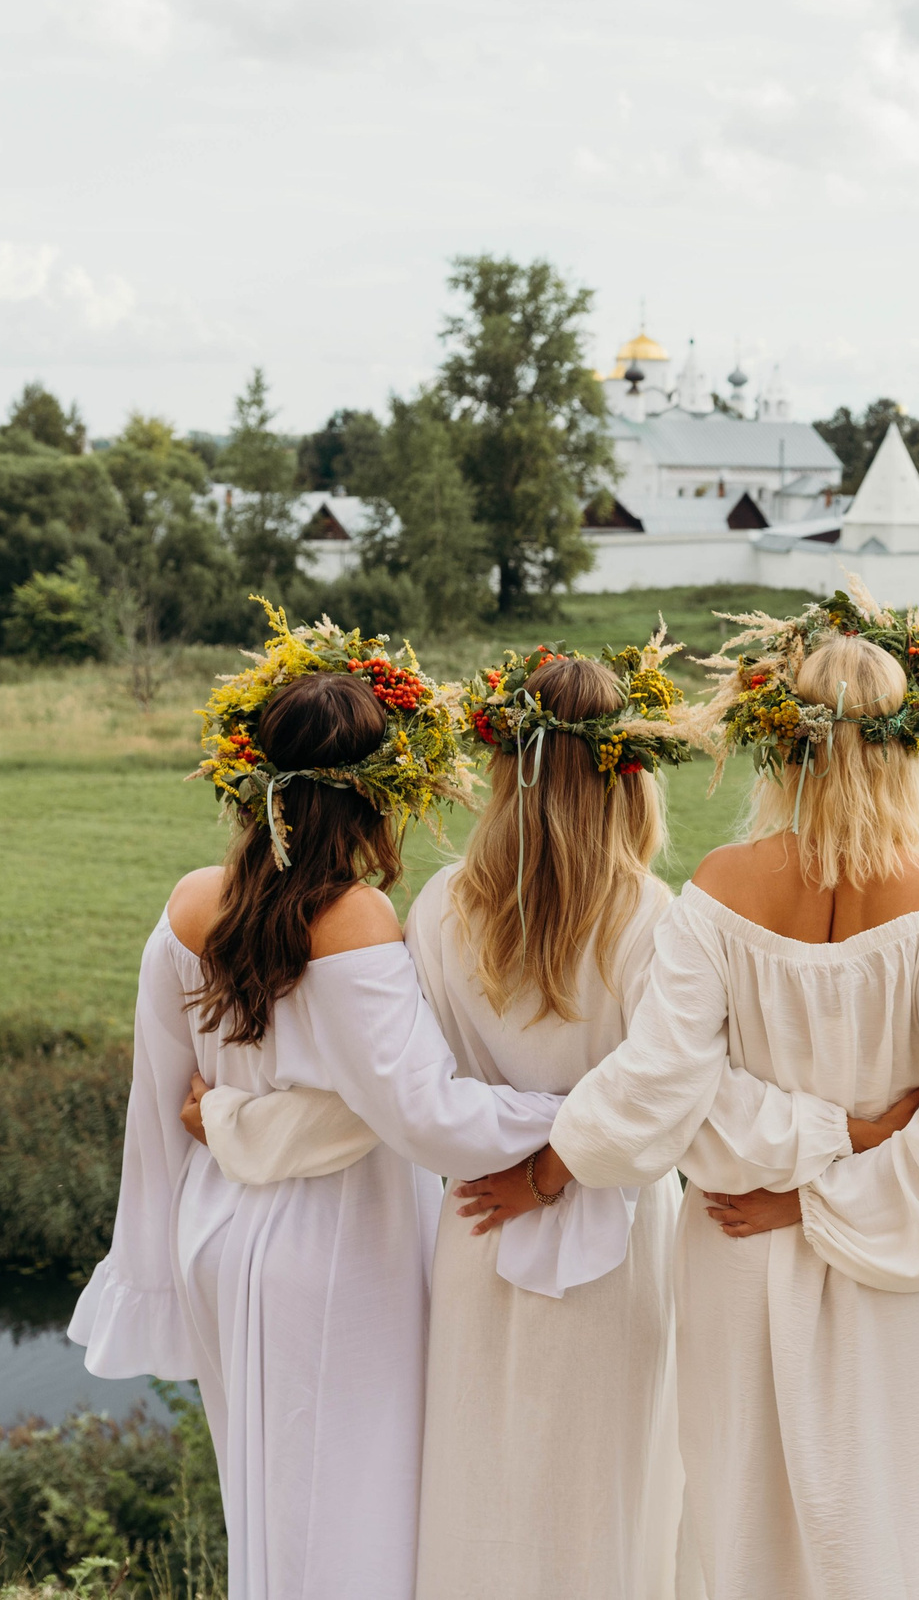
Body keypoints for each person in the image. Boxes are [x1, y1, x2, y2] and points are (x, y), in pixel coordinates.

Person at [543, 586, 919, 1600]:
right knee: (892, 1525)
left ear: (784, 745)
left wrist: (782, 1172)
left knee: (741, 1521)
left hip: (738, 1243)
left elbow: (665, 1084)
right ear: (911, 746)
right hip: (903, 1259)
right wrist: (854, 1140)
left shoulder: (716, 890)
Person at [190, 642, 704, 1600]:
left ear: (507, 770)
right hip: (618, 1237)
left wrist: (233, 1117)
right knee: (610, 1492)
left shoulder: (440, 909)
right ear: (632, 778)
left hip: (474, 1221)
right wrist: (558, 1166)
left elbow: (384, 1109)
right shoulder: (654, 917)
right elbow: (666, 1095)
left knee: (481, 1493)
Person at [68, 607, 564, 1600]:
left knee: (267, 1505)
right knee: (353, 1523)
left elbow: (157, 1101)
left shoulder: (188, 903)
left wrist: (155, 1254)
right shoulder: (354, 916)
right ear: (378, 791)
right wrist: (571, 1108)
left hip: (219, 1233)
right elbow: (427, 1117)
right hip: (339, 1246)